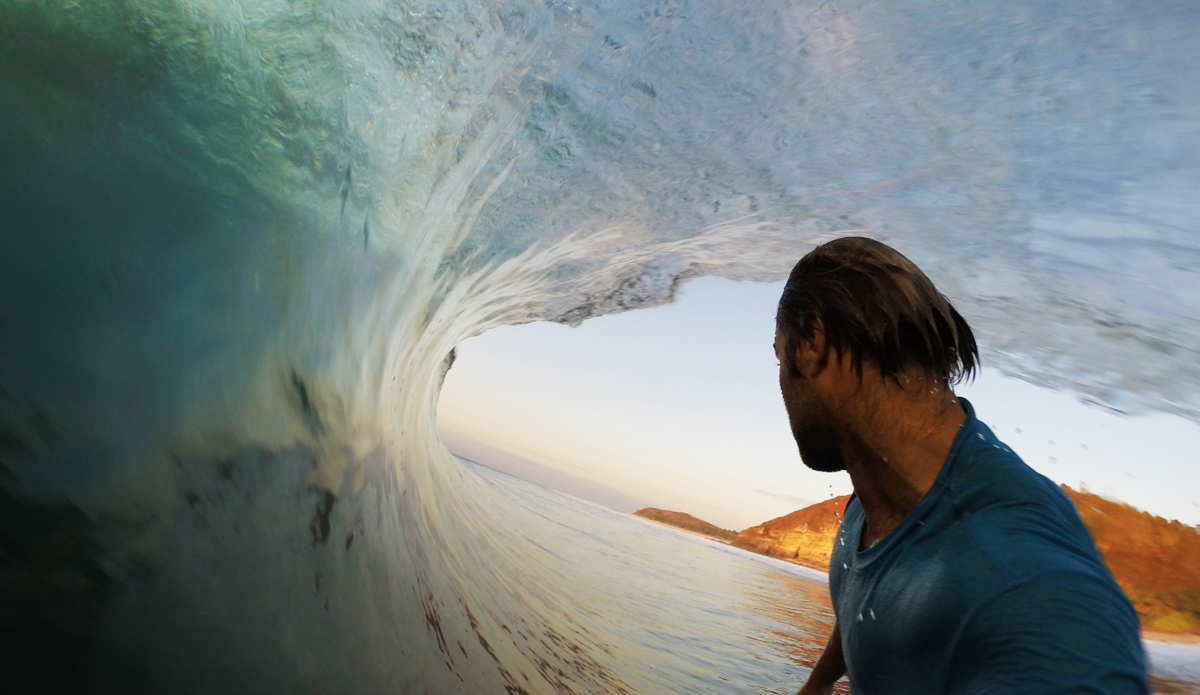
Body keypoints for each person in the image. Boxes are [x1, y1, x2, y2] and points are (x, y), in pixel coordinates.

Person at [776, 238, 1147, 695]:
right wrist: (816, 686)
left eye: (779, 353)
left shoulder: (1026, 592)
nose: (781, 384)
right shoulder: (874, 494)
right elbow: (863, 588)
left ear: (813, 340)